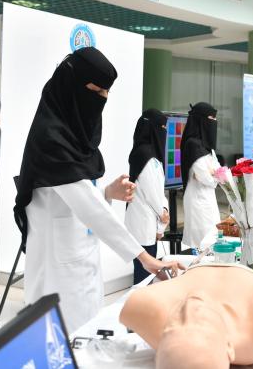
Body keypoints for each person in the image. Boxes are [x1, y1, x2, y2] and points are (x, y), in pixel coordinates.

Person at [14, 47, 181, 332]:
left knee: (85, 328)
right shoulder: (51, 137)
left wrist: (106, 193)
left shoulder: (75, 136)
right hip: (58, 267)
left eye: (107, 92)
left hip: (81, 256)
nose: (103, 98)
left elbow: (78, 194)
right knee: (63, 335)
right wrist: (143, 257)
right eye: (97, 90)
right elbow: (86, 205)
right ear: (73, 85)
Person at [120, 263, 253, 368]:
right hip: (247, 266)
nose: (190, 310)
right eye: (201, 326)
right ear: (229, 347)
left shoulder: (144, 306)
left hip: (193, 265)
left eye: (172, 328)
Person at [126, 109, 170, 284]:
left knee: (148, 271)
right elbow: (153, 195)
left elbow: (158, 192)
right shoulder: (145, 155)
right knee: (143, 276)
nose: (164, 131)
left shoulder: (150, 156)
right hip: (143, 222)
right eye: (162, 127)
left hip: (149, 222)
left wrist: (162, 218)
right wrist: (163, 218)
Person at [180, 102, 220, 249]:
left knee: (212, 241)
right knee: (201, 244)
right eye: (211, 118)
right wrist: (213, 174)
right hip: (197, 202)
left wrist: (213, 173)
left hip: (208, 199)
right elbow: (207, 178)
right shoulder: (193, 144)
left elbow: (219, 172)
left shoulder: (207, 146)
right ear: (201, 120)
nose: (214, 121)